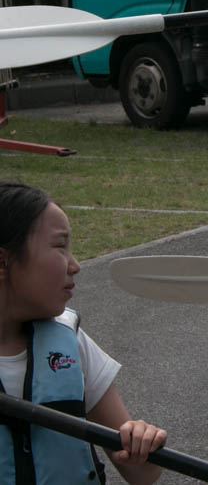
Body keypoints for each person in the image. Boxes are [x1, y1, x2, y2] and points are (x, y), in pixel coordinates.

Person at [0, 181, 167, 484]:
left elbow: (143, 474)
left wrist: (142, 442)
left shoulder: (70, 342)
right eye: (59, 246)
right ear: (3, 261)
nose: (75, 265)